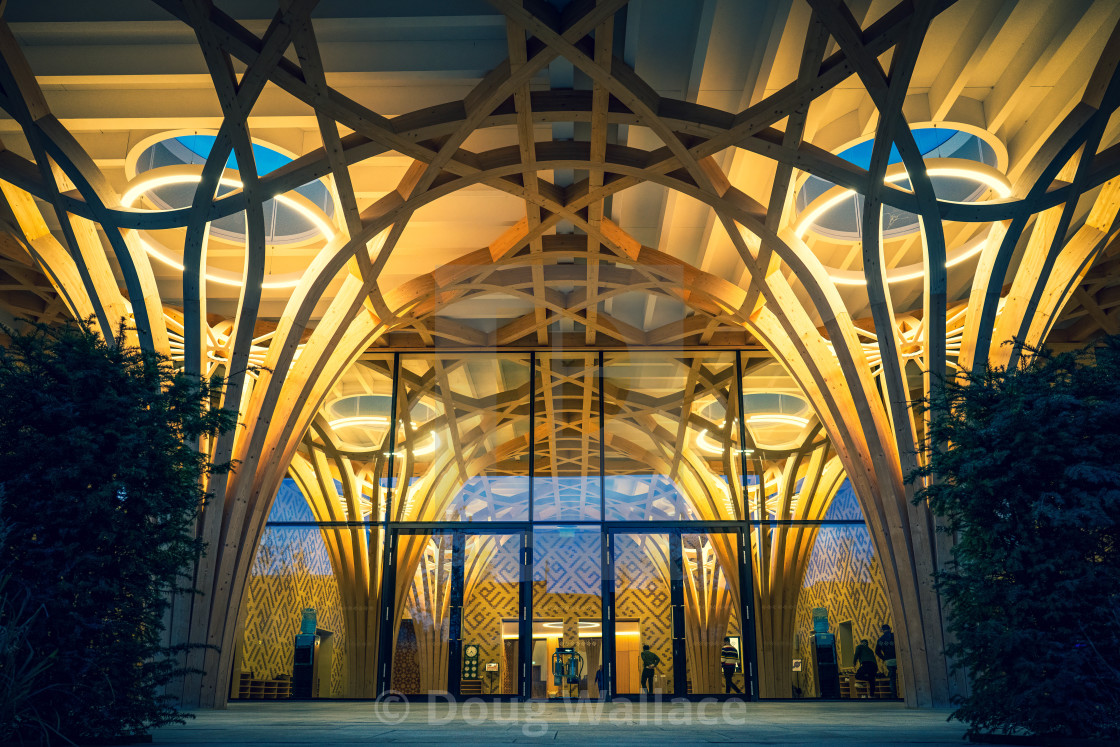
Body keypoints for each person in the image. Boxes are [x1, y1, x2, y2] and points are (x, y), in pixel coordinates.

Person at [875, 624, 897, 698]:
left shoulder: (880, 640)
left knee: (892, 678)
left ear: (883, 630)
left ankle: (894, 696)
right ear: (890, 629)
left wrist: (884, 658)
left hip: (889, 660)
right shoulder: (894, 636)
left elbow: (877, 651)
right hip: (898, 659)